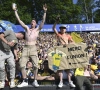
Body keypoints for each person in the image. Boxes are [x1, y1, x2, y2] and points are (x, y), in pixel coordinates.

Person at [12, 3, 47, 87]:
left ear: (35, 24)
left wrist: (45, 12)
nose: (32, 22)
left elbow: (42, 21)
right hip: (26, 48)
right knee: (21, 65)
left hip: (33, 48)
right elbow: (19, 21)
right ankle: (25, 80)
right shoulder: (27, 29)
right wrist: (15, 11)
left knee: (35, 65)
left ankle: (35, 80)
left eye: (34, 22)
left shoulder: (37, 30)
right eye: (31, 21)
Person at [52, 16, 75, 88]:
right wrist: (56, 21)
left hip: (67, 51)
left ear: (65, 29)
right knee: (61, 68)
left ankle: (69, 81)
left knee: (68, 68)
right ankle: (61, 82)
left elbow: (73, 42)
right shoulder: (58, 34)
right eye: (61, 28)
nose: (62, 29)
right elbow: (53, 28)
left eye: (64, 28)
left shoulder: (68, 36)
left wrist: (68, 44)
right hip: (60, 51)